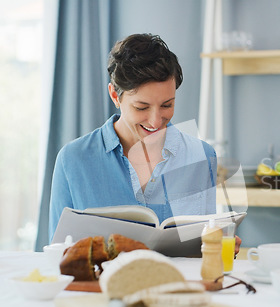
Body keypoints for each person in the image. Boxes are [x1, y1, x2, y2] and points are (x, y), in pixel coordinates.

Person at [49, 33, 241, 254]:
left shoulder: (202, 156)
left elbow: (201, 248)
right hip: (104, 287)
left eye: (167, 105)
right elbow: (57, 254)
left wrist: (217, 247)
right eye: (141, 107)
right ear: (115, 95)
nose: (155, 121)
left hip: (177, 286)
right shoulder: (73, 160)